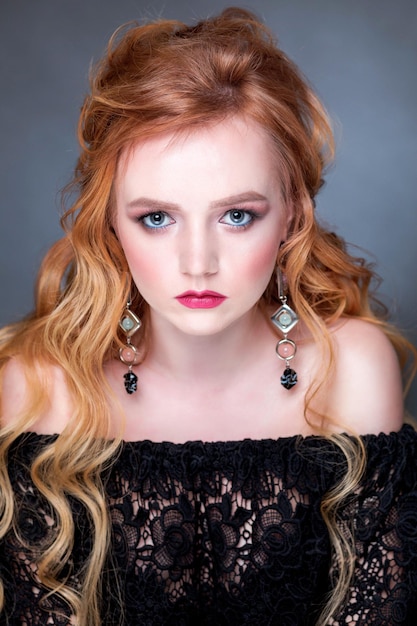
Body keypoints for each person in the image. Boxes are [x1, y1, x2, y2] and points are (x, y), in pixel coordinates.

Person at [0, 6, 416, 625]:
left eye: (237, 216)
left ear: (292, 218)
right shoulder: (38, 384)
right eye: (157, 218)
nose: (199, 263)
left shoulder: (350, 369)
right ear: (111, 224)